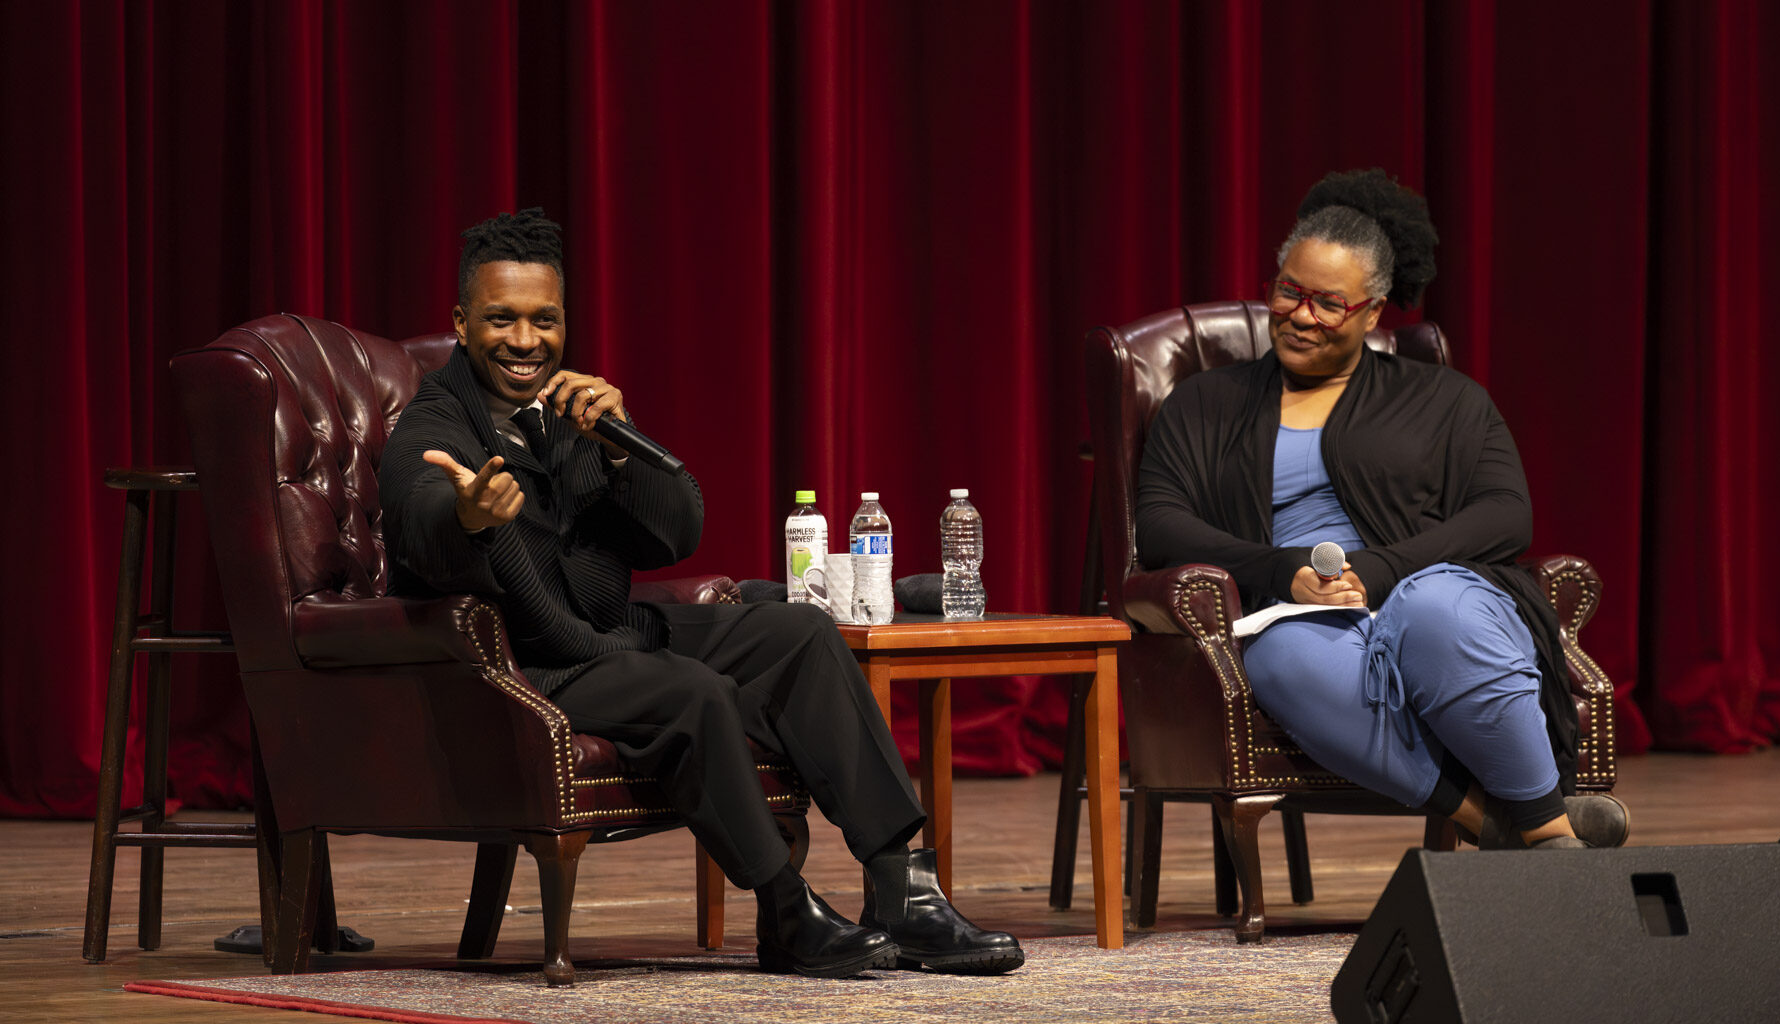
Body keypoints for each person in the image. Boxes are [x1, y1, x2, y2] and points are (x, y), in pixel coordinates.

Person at [377, 208, 1023, 977]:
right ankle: (786, 911)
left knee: (801, 634)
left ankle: (900, 891)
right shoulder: (433, 424)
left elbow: (675, 533)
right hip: (529, 663)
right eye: (500, 320)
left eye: (543, 320)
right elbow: (420, 512)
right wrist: (468, 515)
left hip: (616, 634)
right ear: (460, 322)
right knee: (693, 690)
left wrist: (621, 452)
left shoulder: (575, 411)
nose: (525, 341)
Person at [1135, 170, 1627, 850]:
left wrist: (1381, 568)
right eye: (1288, 291)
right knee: (1282, 660)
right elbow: (1160, 521)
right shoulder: (1205, 403)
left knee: (1435, 610)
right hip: (1295, 609)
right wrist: (1280, 571)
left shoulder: (1444, 400)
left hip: (1430, 585)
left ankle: (1540, 821)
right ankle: (1509, 827)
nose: (1300, 316)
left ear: (1372, 312)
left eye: (1328, 304)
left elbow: (1504, 515)